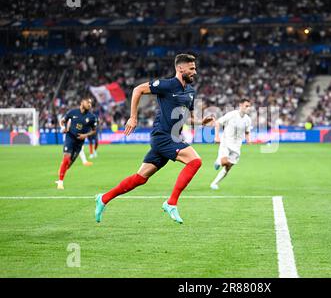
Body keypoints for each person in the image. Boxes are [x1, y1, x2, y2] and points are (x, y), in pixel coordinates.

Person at [95, 54, 214, 224]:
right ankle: (171, 203)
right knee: (195, 161)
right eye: (192, 68)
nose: (195, 71)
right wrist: (133, 117)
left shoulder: (190, 92)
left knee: (140, 178)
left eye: (195, 68)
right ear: (180, 68)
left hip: (171, 138)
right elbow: (138, 90)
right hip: (162, 137)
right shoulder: (167, 85)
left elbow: (188, 117)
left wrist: (201, 121)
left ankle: (104, 198)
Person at [56, 98, 97, 189]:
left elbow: (94, 131)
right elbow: (63, 121)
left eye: (90, 103)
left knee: (69, 164)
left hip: (79, 142)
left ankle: (61, 172)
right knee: (66, 158)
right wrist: (63, 128)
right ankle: (60, 182)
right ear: (82, 102)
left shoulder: (92, 117)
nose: (89, 104)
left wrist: (85, 135)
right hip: (70, 137)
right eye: (88, 102)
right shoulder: (73, 112)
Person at [210, 99, 252, 190]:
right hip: (226, 143)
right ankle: (218, 161)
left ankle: (214, 183)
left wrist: (248, 140)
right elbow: (217, 122)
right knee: (225, 162)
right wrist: (216, 136)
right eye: (246, 106)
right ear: (240, 105)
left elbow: (247, 132)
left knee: (228, 167)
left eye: (249, 106)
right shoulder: (232, 114)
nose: (248, 108)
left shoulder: (248, 120)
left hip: (237, 147)